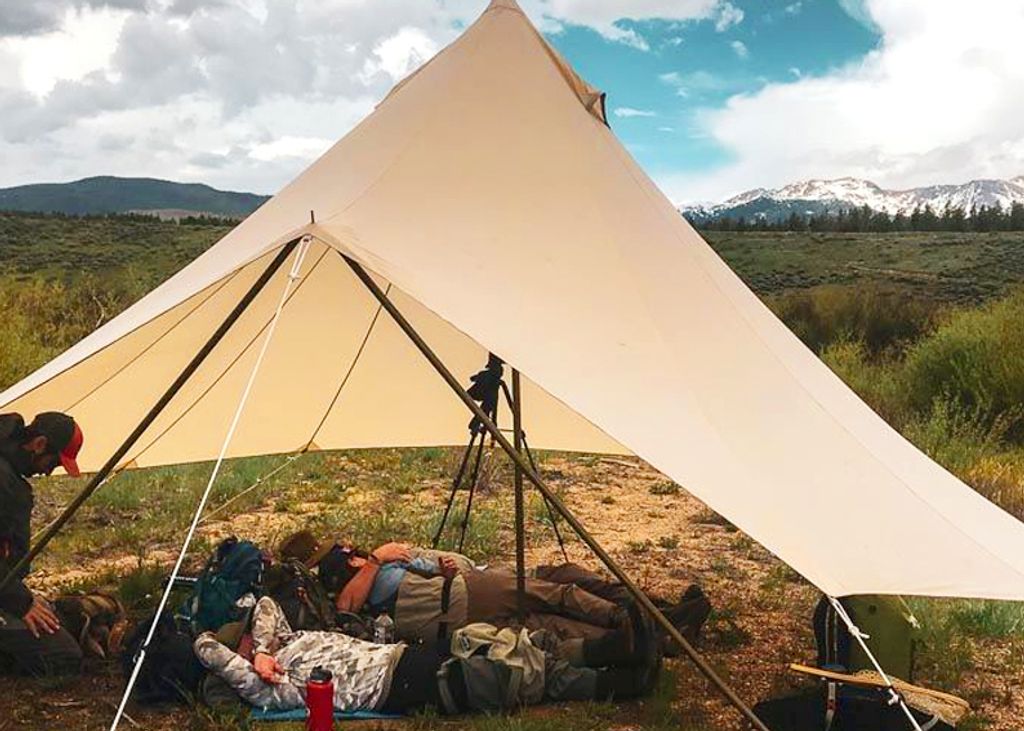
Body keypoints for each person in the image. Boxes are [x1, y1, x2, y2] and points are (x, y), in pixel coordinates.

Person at [193, 594, 659, 715]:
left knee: (512, 641)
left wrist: (263, 647)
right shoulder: (266, 690)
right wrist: (253, 663)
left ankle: (616, 648)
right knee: (513, 676)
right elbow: (206, 648)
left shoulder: (283, 641)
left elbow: (267, 606)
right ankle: (626, 682)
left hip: (401, 654)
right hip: (398, 687)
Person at [278, 531, 629, 662]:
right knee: (556, 597)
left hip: (457, 606)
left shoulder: (375, 571)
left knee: (549, 624)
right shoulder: (355, 578)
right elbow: (346, 607)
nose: (348, 550)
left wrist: (438, 569)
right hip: (466, 596)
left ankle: (642, 636)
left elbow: (448, 563)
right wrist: (375, 559)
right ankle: (626, 622)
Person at [0, 411, 85, 676]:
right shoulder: (4, 482)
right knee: (64, 658)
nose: (48, 472)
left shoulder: (8, 473)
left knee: (54, 623)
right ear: (39, 444)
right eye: (54, 463)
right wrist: (21, 602)